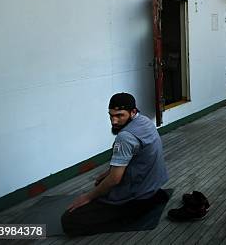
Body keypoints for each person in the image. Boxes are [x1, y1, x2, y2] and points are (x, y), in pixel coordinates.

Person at [61, 93, 169, 236]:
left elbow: (115, 179)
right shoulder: (145, 121)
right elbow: (136, 157)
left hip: (138, 196)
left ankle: (129, 216)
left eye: (119, 115)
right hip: (154, 186)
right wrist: (107, 173)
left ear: (133, 112)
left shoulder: (125, 137)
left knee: (68, 220)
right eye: (111, 115)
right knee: (100, 182)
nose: (114, 121)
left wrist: (87, 197)